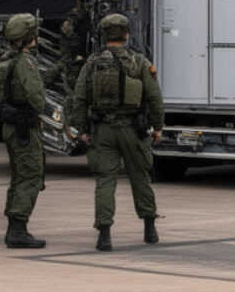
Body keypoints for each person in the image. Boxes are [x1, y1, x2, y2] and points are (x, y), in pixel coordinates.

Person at [66, 13, 165, 251]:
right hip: (133, 130)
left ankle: (104, 235)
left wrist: (81, 130)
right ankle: (150, 229)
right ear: (127, 35)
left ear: (104, 35)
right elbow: (154, 97)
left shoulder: (92, 63)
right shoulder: (139, 62)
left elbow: (79, 98)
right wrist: (158, 127)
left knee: (105, 181)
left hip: (102, 130)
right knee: (140, 178)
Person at [0, 13, 47, 249]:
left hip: (11, 125)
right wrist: (41, 110)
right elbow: (36, 96)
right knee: (30, 176)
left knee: (19, 176)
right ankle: (18, 230)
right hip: (24, 127)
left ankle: (13, 227)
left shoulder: (7, 59)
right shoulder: (25, 63)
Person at [59, 0, 92, 95]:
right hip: (70, 46)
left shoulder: (84, 13)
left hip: (78, 45)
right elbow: (66, 29)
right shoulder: (75, 14)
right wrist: (75, 41)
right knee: (64, 64)